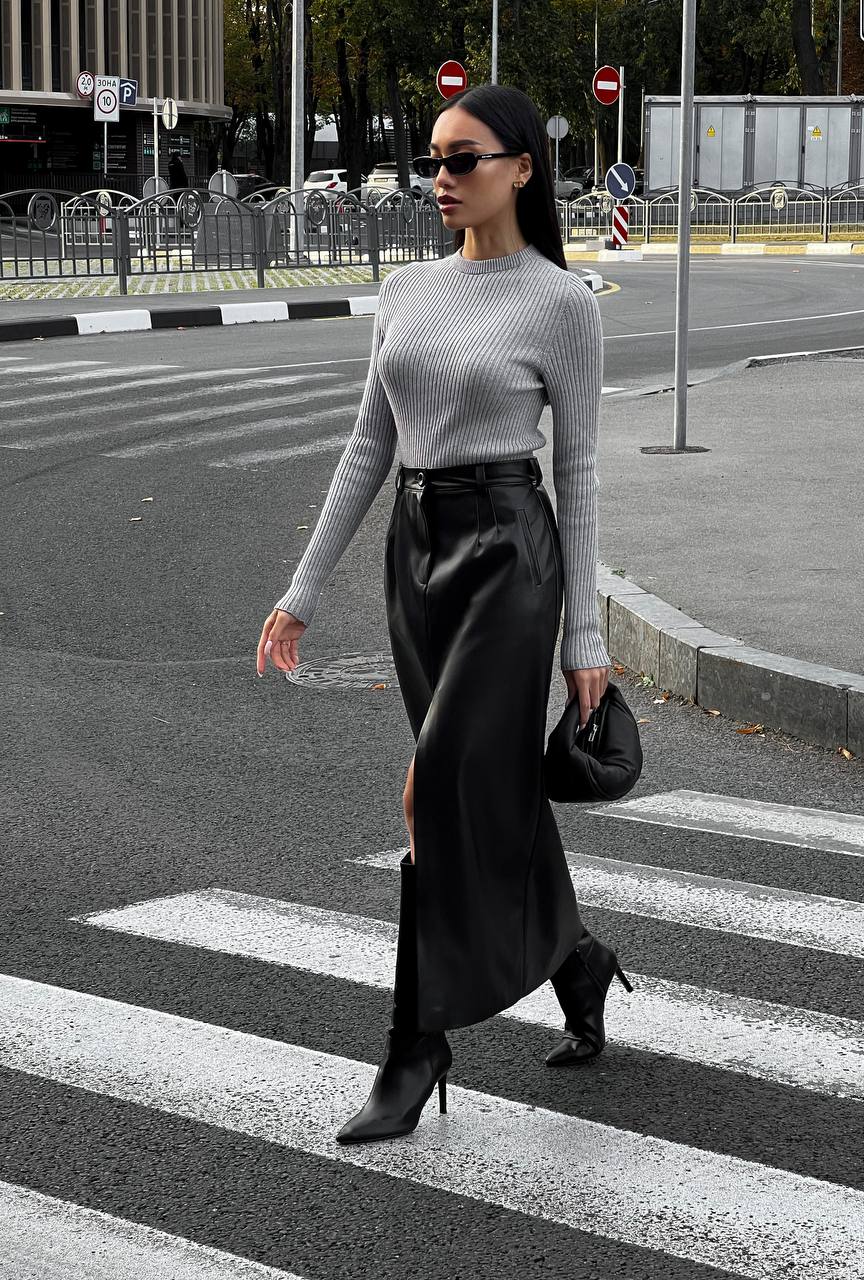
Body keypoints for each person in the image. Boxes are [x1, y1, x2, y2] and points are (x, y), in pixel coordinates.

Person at [255, 83, 631, 1144]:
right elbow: (369, 444)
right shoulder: (406, 287)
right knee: (489, 788)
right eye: (433, 161)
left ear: (521, 167)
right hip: (416, 560)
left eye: (463, 160)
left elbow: (581, 474)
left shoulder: (563, 303)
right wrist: (302, 589)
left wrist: (585, 636)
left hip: (512, 555)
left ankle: (415, 1048)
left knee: (435, 787)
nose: (441, 180)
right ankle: (580, 961)